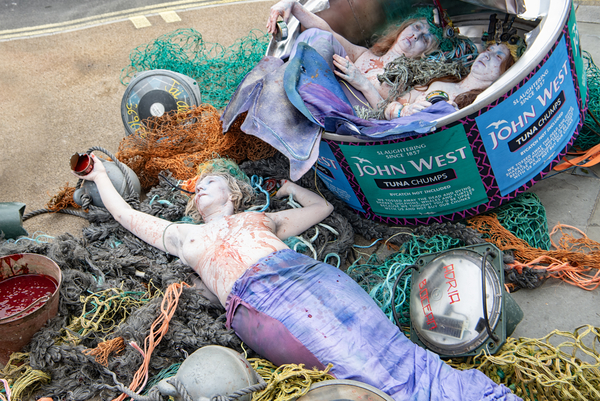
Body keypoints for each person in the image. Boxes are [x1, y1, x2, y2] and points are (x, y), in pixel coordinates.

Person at [75, 155, 521, 401]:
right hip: (263, 301)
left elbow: (320, 210)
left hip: (311, 276)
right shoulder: (185, 236)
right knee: (357, 369)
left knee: (396, 349)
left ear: (233, 192)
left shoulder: (260, 218)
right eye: (198, 188)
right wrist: (99, 176)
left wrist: (290, 189)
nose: (201, 187)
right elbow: (128, 215)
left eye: (211, 182)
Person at [267, 0, 442, 103]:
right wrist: (293, 5)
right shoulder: (364, 54)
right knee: (316, 36)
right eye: (417, 27)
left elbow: (387, 114)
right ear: (403, 29)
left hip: (340, 119)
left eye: (425, 39)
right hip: (308, 94)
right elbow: (328, 33)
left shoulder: (405, 78)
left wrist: (363, 82)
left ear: (424, 54)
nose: (416, 36)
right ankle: (283, 85)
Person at [381, 43, 515, 119]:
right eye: (488, 50)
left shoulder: (485, 104)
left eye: (497, 57)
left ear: (504, 72)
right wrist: (403, 111)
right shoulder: (440, 80)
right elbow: (387, 110)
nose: (487, 55)